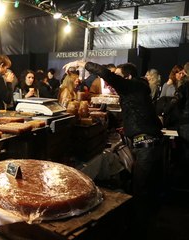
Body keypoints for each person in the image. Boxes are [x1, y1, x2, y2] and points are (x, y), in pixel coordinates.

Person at [65, 60, 163, 240]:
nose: (115, 79)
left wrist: (83, 63)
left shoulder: (132, 86)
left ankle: (138, 233)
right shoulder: (139, 89)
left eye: (119, 75)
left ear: (128, 76)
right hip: (151, 146)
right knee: (147, 193)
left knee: (141, 194)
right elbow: (146, 117)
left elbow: (107, 75)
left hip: (147, 149)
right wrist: (128, 129)